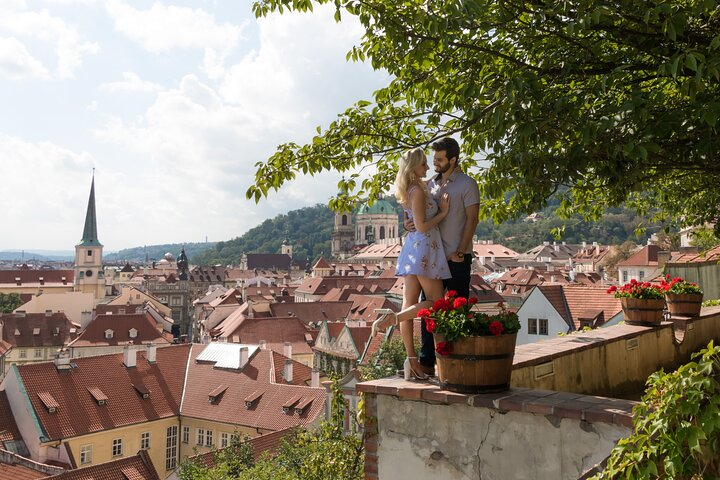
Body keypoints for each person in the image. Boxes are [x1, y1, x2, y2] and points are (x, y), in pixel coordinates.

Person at [371, 147, 450, 379]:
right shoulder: (417, 190)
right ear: (413, 166)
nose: (427, 167)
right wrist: (443, 212)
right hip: (425, 248)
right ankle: (392, 319)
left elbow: (411, 222)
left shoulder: (409, 189)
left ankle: (412, 361)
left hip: (413, 249)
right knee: (435, 303)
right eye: (423, 163)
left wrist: (410, 223)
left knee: (409, 304)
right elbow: (424, 226)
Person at [408, 138, 480, 376]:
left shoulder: (468, 184)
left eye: (439, 159)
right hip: (431, 257)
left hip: (456, 256)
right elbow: (419, 215)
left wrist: (460, 251)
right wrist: (410, 223)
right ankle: (427, 362)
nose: (435, 164)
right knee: (430, 313)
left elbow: (472, 220)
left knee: (457, 312)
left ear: (453, 159)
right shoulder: (429, 185)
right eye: (434, 159)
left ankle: (458, 363)